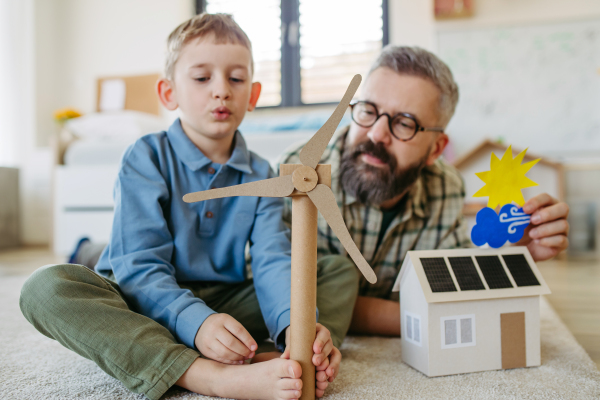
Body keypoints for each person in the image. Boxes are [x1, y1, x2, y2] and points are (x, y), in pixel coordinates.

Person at [20, 13, 359, 400]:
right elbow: (139, 268)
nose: (221, 91)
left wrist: (295, 326)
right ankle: (204, 375)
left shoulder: (264, 174)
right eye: (202, 78)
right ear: (169, 93)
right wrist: (196, 323)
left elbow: (272, 259)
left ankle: (296, 356)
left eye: (236, 79)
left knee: (332, 269)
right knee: (45, 288)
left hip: (222, 297)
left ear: (253, 95)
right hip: (142, 299)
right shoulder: (145, 157)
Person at [279, 45, 570, 336]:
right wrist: (416, 316)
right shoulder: (299, 175)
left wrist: (516, 251)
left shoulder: (446, 187)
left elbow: (454, 292)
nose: (376, 134)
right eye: (368, 110)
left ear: (436, 149)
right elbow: (287, 299)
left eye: (404, 123)